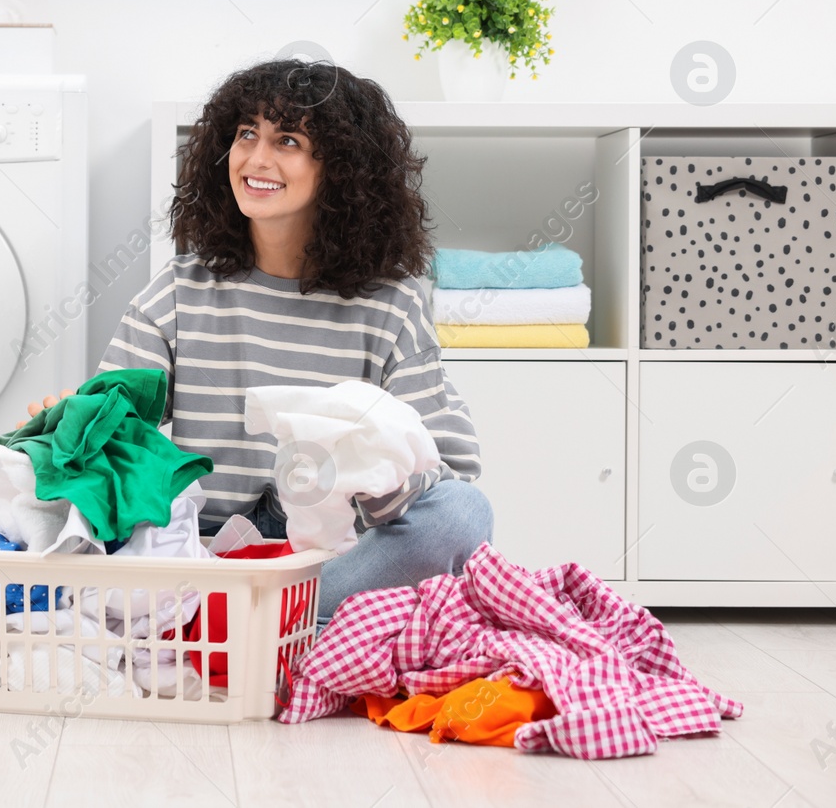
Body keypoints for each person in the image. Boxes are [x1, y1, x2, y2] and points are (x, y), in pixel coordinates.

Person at [28, 59, 491, 622]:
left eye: (288, 140)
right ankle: (286, 633)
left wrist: (386, 480)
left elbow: (452, 466)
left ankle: (265, 628)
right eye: (247, 134)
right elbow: (119, 417)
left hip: (328, 558)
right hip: (203, 547)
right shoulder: (180, 290)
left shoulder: (391, 305)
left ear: (342, 169)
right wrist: (75, 422)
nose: (257, 159)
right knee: (38, 496)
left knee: (462, 515)